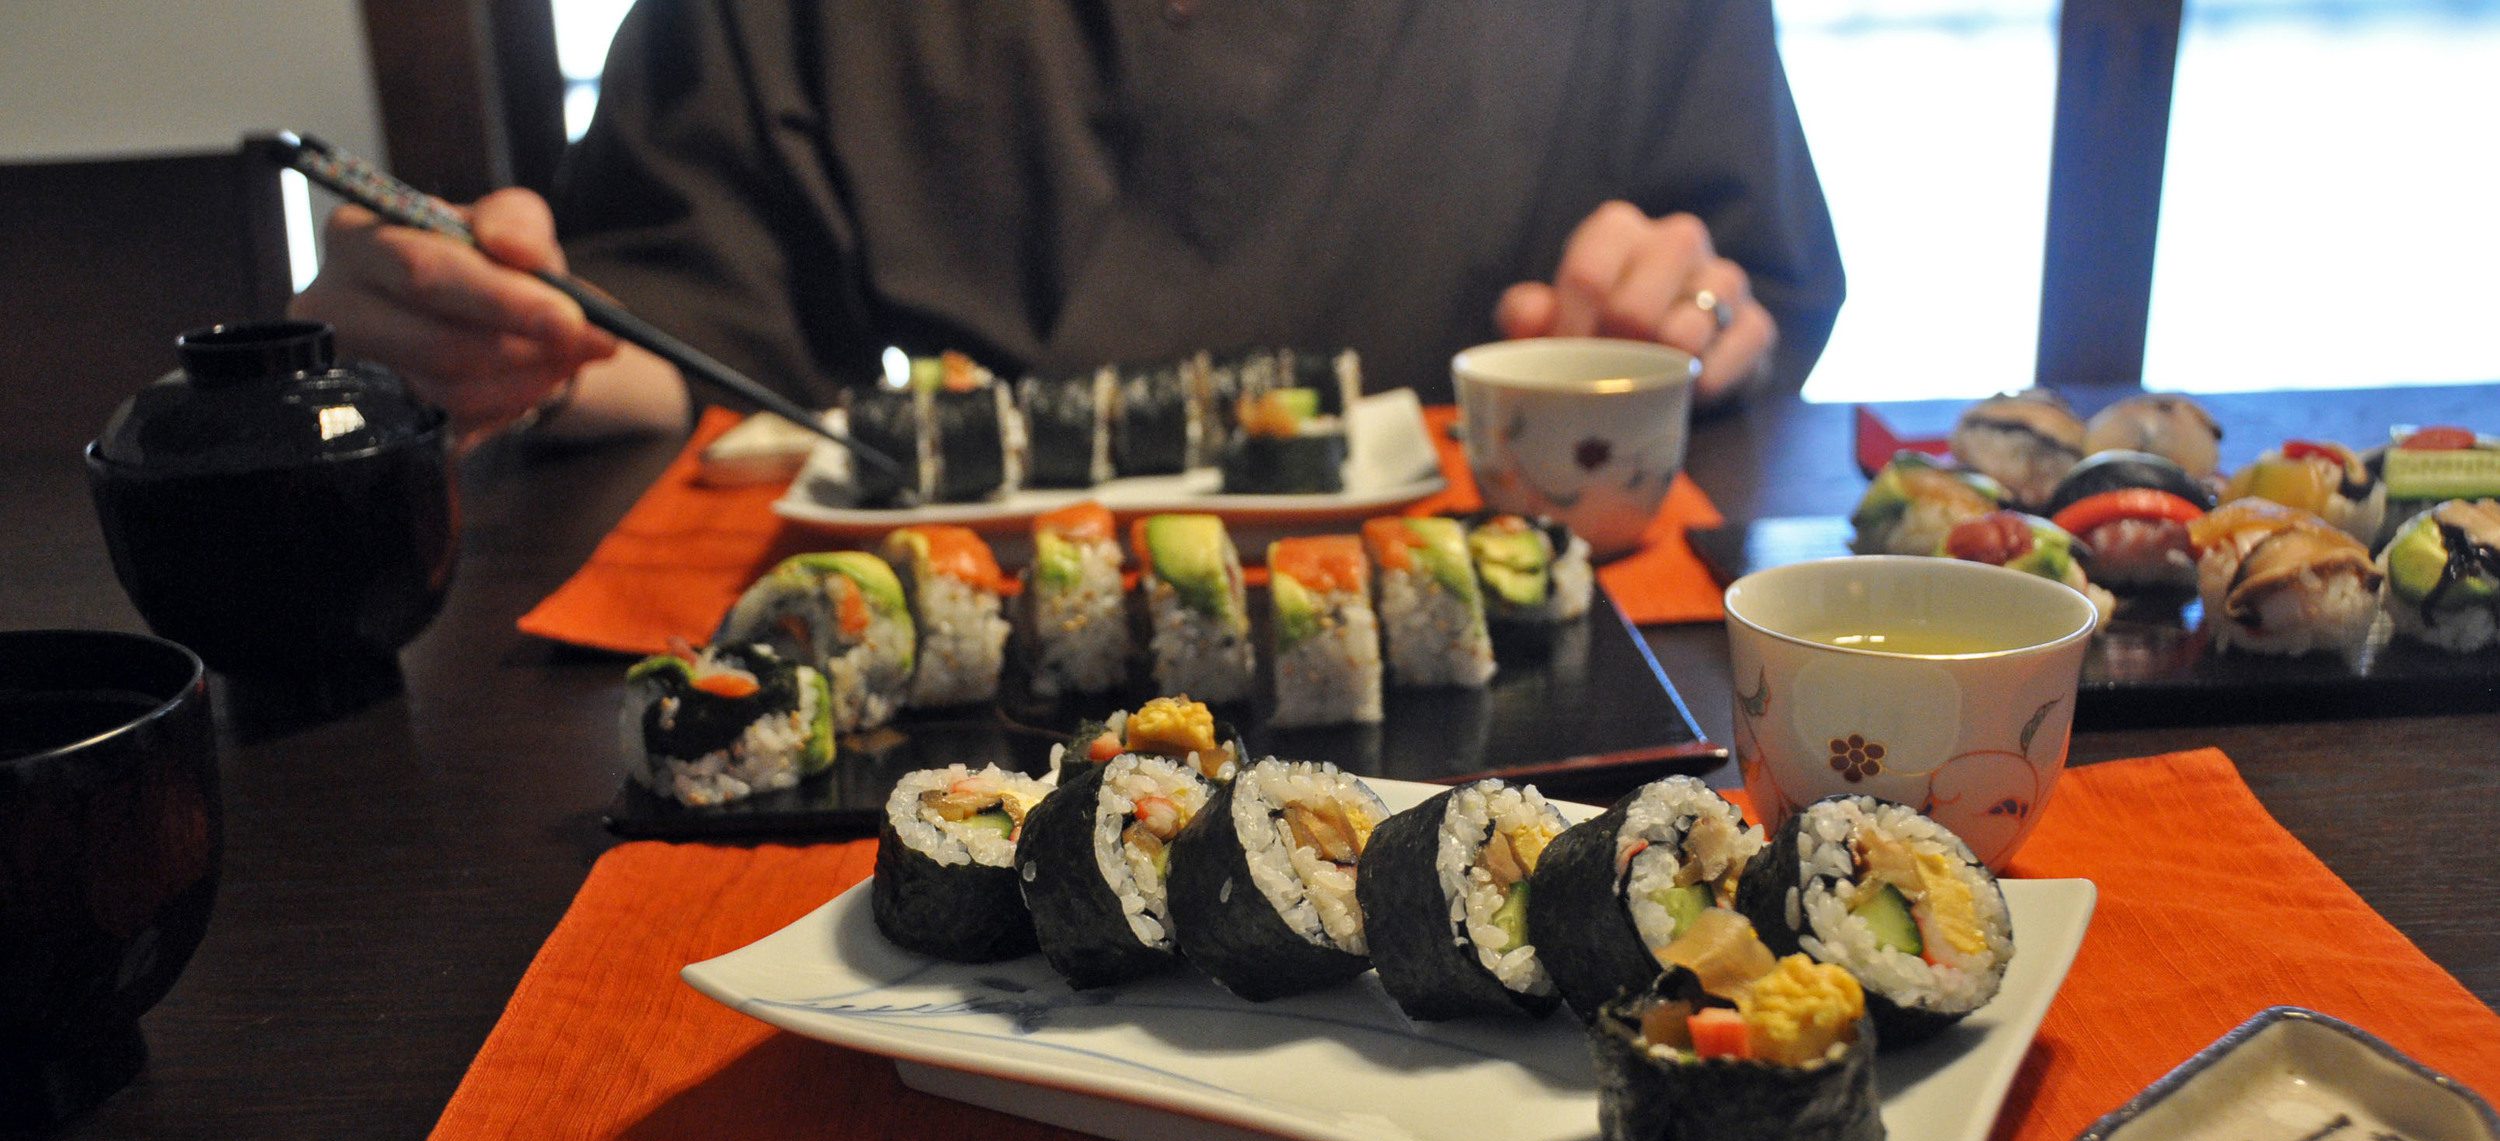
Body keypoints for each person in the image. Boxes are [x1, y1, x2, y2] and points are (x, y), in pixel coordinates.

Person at [293, 0, 1843, 445]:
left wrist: (1680, 325)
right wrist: (488, 333)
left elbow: (1740, 287)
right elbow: (672, 333)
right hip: (967, 696)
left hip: (1526, 705)